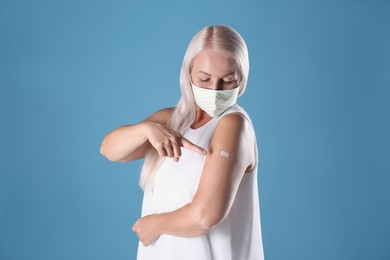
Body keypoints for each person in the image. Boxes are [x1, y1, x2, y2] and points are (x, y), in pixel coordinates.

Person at [100, 24, 265, 260]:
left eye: (227, 81)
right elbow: (109, 149)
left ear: (242, 80)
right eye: (205, 79)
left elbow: (205, 215)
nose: (215, 90)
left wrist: (155, 225)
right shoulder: (173, 120)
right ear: (189, 74)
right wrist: (146, 129)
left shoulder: (233, 125)